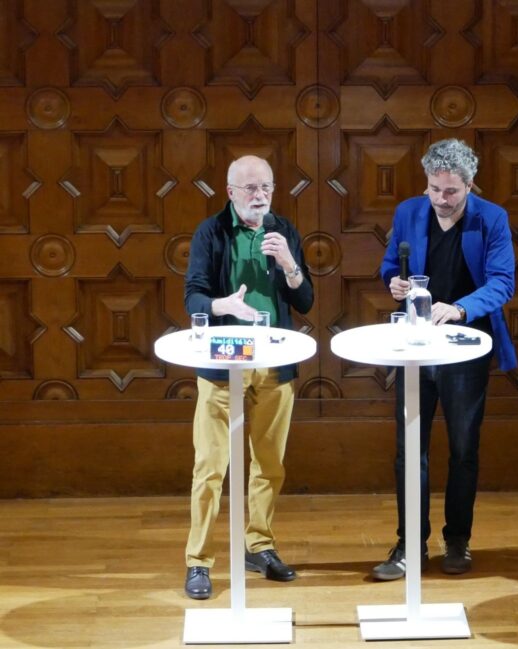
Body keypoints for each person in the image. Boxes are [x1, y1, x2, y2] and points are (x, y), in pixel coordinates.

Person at [376, 138, 517, 580]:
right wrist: (393, 286)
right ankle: (409, 544)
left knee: (462, 448)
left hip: (465, 350)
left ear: (470, 185)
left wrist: (458, 309)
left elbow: (502, 283)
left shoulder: (492, 218)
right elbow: (388, 265)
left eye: (451, 191)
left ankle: (458, 539)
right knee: (409, 450)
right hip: (415, 348)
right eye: (434, 188)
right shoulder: (408, 212)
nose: (441, 199)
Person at [181, 155, 314, 599]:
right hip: (222, 365)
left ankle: (259, 546)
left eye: (267, 188)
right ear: (230, 191)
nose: (260, 197)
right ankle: (198, 562)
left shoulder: (283, 231)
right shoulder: (211, 232)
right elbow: (193, 295)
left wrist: (290, 264)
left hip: (274, 364)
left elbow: (307, 301)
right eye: (251, 189)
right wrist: (225, 307)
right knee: (210, 469)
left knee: (269, 465)